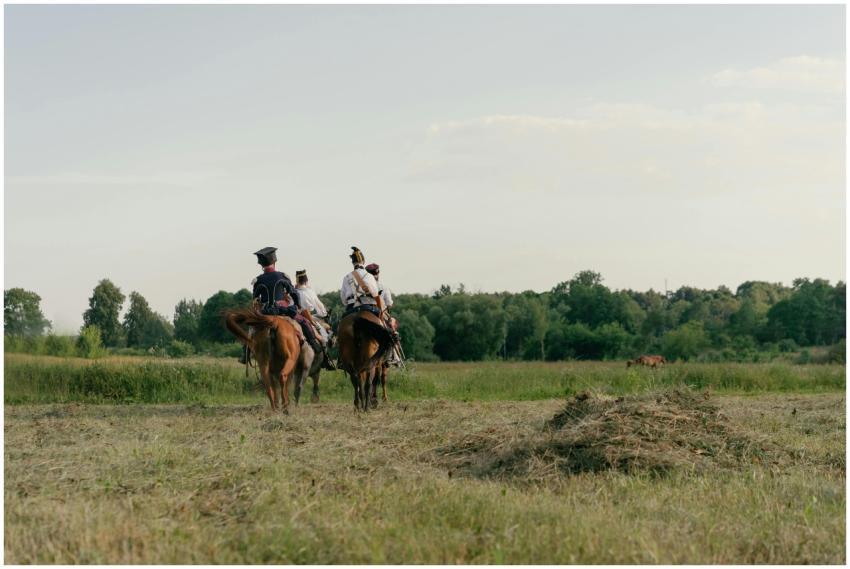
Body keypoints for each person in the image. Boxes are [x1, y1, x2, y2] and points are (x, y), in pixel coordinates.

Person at [241, 247, 323, 364]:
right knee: (304, 322)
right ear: (274, 261)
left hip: (265, 312)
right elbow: (294, 293)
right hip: (283, 310)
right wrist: (298, 306)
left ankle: (245, 353)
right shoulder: (283, 276)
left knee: (251, 330)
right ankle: (314, 344)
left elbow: (255, 298)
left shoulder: (258, 280)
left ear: (261, 264)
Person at [295, 269, 335, 370]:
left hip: (293, 317)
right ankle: (326, 361)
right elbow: (320, 307)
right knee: (323, 337)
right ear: (306, 280)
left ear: (297, 280)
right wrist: (324, 314)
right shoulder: (309, 291)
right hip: (308, 318)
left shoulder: (293, 291)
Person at [365, 263, 402, 365]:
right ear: (378, 273)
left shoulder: (362, 286)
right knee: (392, 331)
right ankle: (393, 356)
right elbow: (389, 304)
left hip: (364, 310)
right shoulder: (383, 287)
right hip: (380, 312)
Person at [340, 246, 383, 317]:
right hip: (369, 307)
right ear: (363, 261)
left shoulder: (346, 277)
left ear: (352, 262)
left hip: (351, 308)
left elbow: (343, 300)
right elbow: (376, 295)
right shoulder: (369, 276)